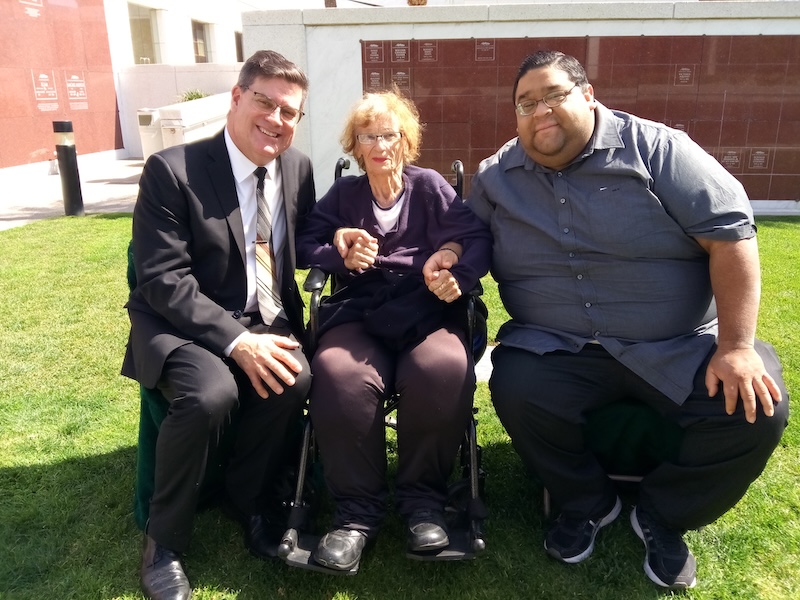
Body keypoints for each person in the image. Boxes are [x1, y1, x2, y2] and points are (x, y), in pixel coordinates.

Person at [466, 50, 789, 590]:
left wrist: (735, 347)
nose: (540, 111)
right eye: (525, 103)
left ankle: (664, 513)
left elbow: (730, 235)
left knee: (755, 409)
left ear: (589, 95)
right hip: (558, 346)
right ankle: (587, 502)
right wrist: (447, 255)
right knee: (517, 388)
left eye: (554, 95)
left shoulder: (659, 150)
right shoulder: (497, 177)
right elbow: (466, 240)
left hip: (678, 344)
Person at [122, 50, 315, 600]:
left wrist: (340, 242)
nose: (276, 119)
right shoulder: (172, 170)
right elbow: (162, 279)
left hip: (265, 315)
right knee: (211, 394)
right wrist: (237, 341)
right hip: (180, 321)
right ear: (236, 97)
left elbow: (306, 241)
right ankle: (163, 541)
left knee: (294, 378)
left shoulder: (297, 168)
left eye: (289, 112)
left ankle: (248, 500)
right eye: (265, 102)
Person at [296, 89, 491, 571]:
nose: (380, 146)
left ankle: (423, 504)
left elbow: (474, 237)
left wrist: (454, 263)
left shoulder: (429, 187)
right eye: (369, 137)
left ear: (406, 140)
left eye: (389, 135)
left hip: (425, 309)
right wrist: (338, 249)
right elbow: (303, 242)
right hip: (361, 310)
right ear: (355, 146)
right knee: (337, 372)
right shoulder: (345, 195)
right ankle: (355, 515)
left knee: (442, 368)